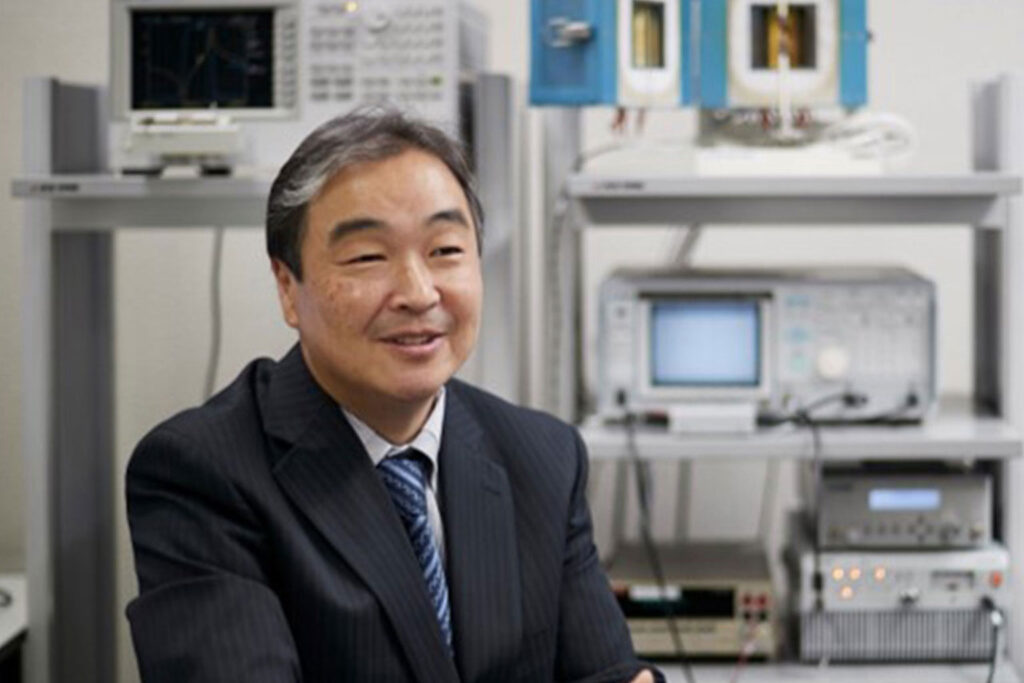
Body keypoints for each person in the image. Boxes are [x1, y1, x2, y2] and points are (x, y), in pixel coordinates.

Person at [126, 108, 662, 683]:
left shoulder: (544, 456)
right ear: (288, 287)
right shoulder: (202, 472)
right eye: (367, 257)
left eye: (446, 251)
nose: (417, 291)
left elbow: (607, 672)